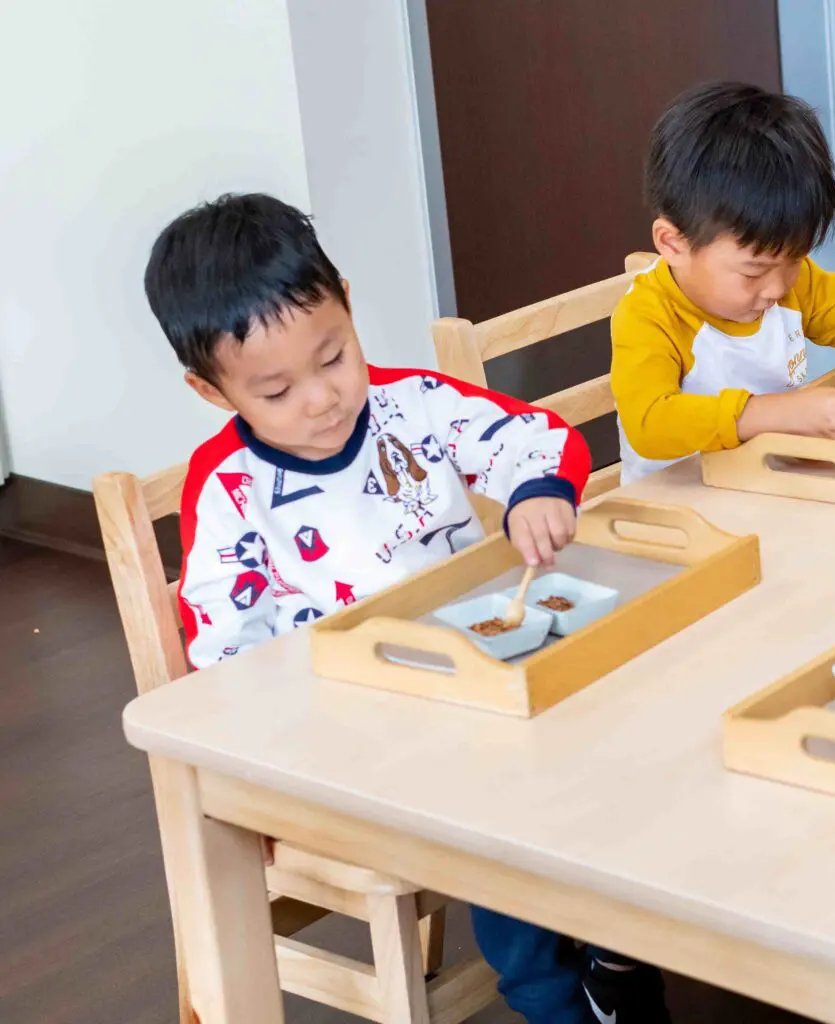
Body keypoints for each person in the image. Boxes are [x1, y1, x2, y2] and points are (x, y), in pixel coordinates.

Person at [146, 192, 664, 1024]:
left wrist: (533, 494)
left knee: (620, 708)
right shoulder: (232, 492)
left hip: (482, 679)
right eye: (276, 390)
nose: (321, 399)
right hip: (355, 737)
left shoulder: (415, 406)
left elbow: (534, 438)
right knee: (492, 803)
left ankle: (620, 929)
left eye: (335, 357)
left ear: (348, 304)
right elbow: (225, 659)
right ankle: (556, 996)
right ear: (213, 391)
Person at [611, 81, 835, 484]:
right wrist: (787, 412)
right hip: (680, 505)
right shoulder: (648, 315)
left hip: (768, 485)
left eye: (795, 261)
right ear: (673, 244)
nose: (777, 288)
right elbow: (651, 423)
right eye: (753, 270)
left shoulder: (787, 282)